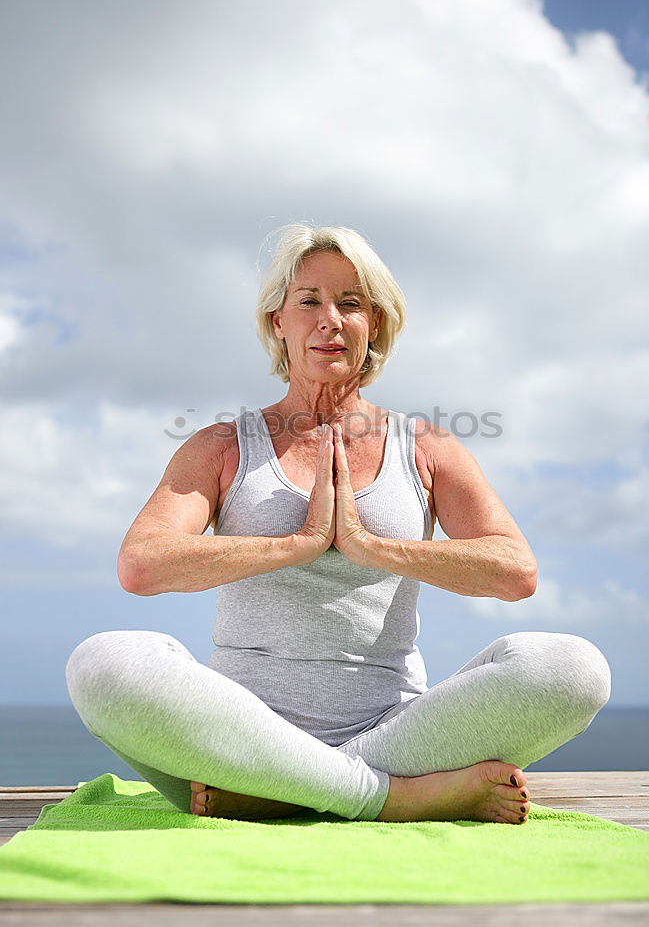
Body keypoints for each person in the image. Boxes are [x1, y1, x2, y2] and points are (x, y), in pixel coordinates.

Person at [66, 222, 611, 824]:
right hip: (241, 730)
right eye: (309, 302)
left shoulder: (425, 446)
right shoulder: (222, 446)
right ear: (279, 322)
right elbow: (141, 565)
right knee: (101, 661)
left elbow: (516, 572)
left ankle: (288, 791)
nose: (330, 318)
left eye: (351, 303)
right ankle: (389, 798)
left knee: (574, 669)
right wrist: (296, 544)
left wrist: (371, 546)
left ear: (373, 323)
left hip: (396, 734)